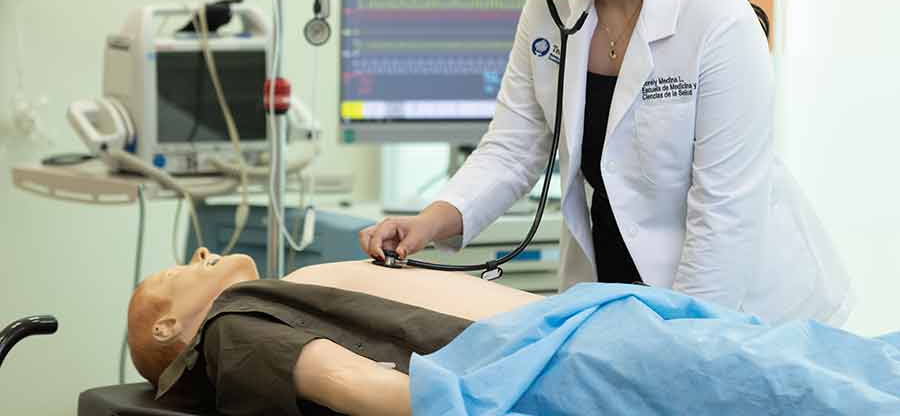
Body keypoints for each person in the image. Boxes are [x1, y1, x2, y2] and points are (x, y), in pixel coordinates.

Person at [360, 0, 852, 325]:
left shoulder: (717, 20)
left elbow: (724, 215)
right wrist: (429, 222)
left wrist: (689, 337)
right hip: (615, 284)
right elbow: (514, 145)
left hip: (735, 299)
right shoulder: (551, 0)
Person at [129, 249, 900, 415]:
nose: (196, 256)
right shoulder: (231, 329)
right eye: (174, 271)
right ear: (170, 324)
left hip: (581, 331)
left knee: (814, 363)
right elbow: (361, 389)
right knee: (800, 386)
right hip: (560, 364)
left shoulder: (271, 290)